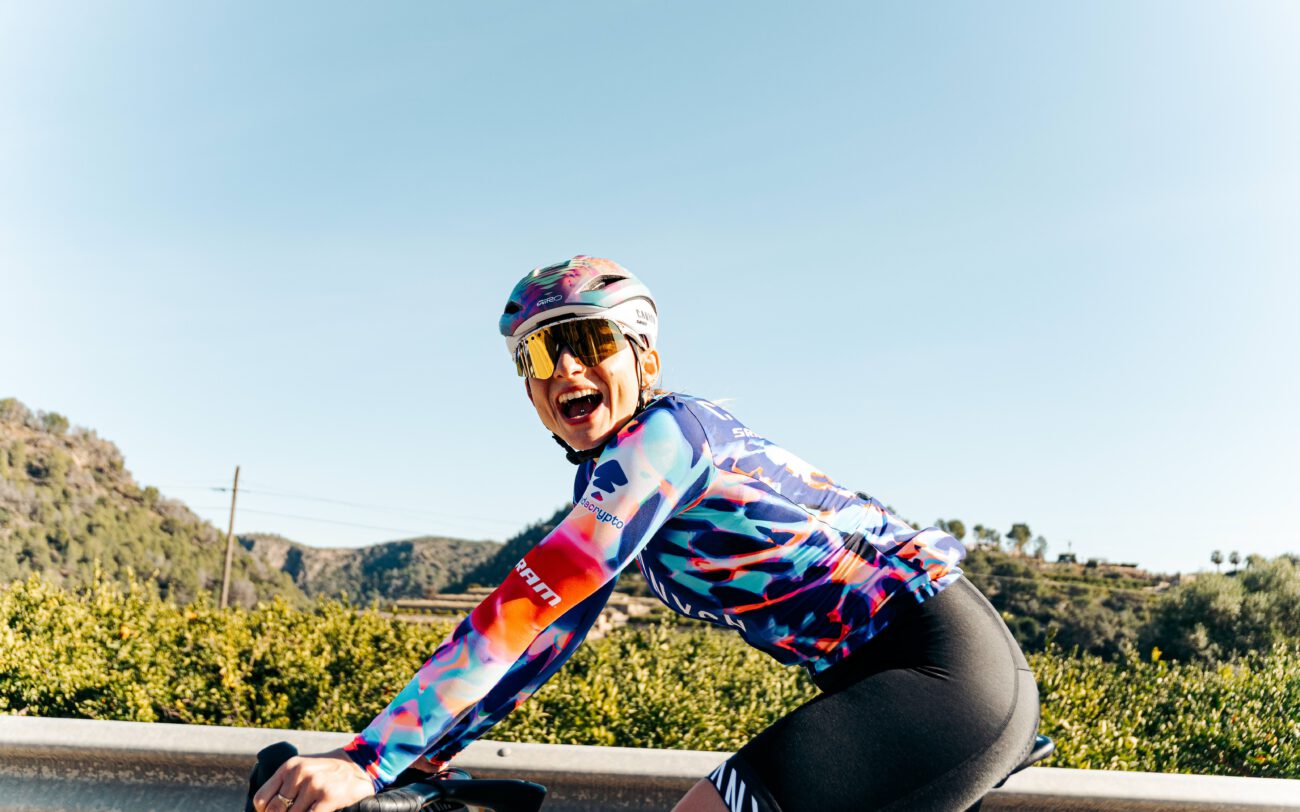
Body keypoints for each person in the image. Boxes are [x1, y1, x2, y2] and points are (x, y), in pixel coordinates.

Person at [252, 256, 1041, 812]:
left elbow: (525, 610)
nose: (566, 368)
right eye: (540, 351)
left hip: (940, 674)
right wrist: (418, 758)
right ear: (528, 387)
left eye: (590, 343)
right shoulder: (617, 482)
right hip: (900, 681)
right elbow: (548, 636)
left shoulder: (665, 440)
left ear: (645, 363)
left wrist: (368, 760)